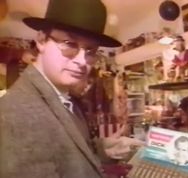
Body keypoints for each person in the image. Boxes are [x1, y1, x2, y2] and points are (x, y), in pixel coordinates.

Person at [0, 0, 145, 178]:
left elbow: (67, 152)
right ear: (41, 40)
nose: (83, 61)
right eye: (69, 43)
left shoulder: (65, 98)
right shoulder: (15, 114)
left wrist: (103, 148)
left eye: (91, 51)